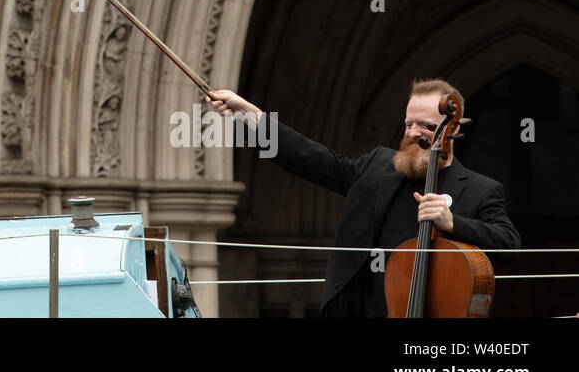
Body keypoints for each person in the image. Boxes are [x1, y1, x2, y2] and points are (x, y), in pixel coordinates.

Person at [206, 78, 520, 317]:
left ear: (450, 130)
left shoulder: (480, 189)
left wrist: (453, 222)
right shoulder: (379, 165)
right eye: (408, 123)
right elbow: (315, 159)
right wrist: (252, 116)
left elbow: (510, 245)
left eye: (426, 126)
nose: (412, 133)